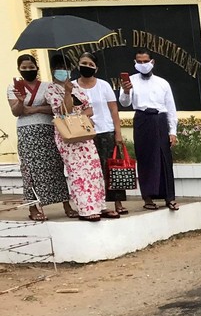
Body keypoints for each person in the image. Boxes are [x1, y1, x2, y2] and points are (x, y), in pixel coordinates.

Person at [46, 53, 113, 222]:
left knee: (93, 167)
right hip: (67, 136)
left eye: (66, 68)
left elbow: (89, 109)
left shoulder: (76, 87)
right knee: (78, 171)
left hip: (83, 132)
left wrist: (77, 111)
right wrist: (67, 95)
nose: (63, 71)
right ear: (53, 70)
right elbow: (63, 111)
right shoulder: (51, 89)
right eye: (59, 68)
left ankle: (100, 205)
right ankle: (86, 208)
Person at [8, 53, 73, 221]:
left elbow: (55, 108)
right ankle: (33, 207)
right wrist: (21, 101)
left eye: (31, 67)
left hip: (48, 130)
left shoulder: (48, 86)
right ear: (19, 70)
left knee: (55, 166)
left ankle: (66, 204)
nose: (28, 70)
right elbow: (16, 112)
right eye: (24, 68)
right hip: (26, 132)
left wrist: (35, 109)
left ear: (37, 67)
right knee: (30, 169)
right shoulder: (13, 88)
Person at [119, 48, 179, 211]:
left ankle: (169, 198)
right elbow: (124, 103)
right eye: (139, 62)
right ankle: (148, 197)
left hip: (160, 120)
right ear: (135, 63)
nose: (143, 64)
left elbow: (171, 108)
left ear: (152, 62)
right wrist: (126, 90)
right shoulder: (130, 81)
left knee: (164, 159)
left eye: (146, 61)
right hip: (142, 119)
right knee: (145, 158)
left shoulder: (162, 83)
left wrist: (172, 131)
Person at [75, 52, 126, 215]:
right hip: (84, 135)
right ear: (78, 65)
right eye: (83, 63)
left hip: (105, 132)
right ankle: (97, 203)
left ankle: (117, 202)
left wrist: (118, 133)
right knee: (91, 171)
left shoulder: (103, 85)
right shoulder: (72, 86)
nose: (86, 67)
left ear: (96, 68)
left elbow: (113, 109)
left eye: (90, 64)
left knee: (111, 168)